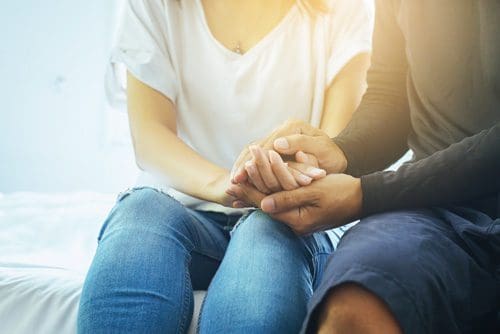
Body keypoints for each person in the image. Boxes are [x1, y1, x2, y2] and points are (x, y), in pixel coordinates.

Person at [77, 0, 374, 333]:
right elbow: (150, 138)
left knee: (265, 229)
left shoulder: (342, 8)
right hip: (181, 207)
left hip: (285, 213)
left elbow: (336, 146)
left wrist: (282, 179)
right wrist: (227, 184)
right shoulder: (153, 5)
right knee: (142, 210)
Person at [229, 0, 500, 333]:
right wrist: (339, 153)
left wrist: (366, 194)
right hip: (432, 212)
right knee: (354, 304)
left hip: (422, 193)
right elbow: (391, 94)